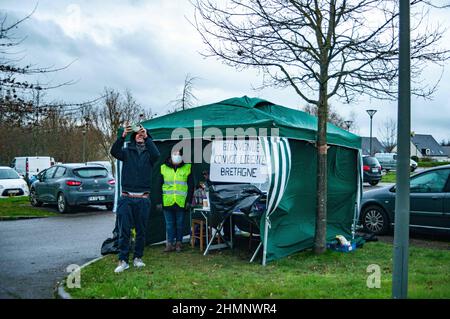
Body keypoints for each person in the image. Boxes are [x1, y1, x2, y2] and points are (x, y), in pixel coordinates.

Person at [110, 123, 160, 273]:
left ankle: (138, 258)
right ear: (133, 136)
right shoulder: (126, 152)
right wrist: (122, 136)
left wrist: (147, 137)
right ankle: (123, 260)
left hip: (143, 198)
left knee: (141, 231)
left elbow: (157, 155)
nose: (140, 135)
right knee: (124, 230)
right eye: (138, 133)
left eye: (142, 133)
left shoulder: (150, 155)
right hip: (126, 197)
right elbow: (114, 151)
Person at [156, 149, 193, 252]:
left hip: (181, 202)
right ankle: (169, 244)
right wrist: (159, 201)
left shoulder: (187, 167)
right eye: (175, 154)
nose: (177, 156)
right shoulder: (163, 168)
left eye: (179, 154)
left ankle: (179, 243)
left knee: (180, 224)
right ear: (170, 156)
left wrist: (189, 201)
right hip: (167, 201)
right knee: (169, 224)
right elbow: (158, 186)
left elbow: (191, 186)